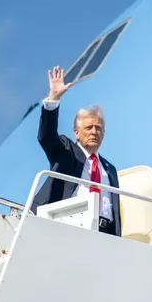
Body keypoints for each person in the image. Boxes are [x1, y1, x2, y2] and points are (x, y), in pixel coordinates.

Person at [32, 66, 123, 237]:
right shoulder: (67, 151)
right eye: (89, 127)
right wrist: (53, 99)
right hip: (68, 225)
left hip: (104, 233)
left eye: (98, 128)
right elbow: (47, 136)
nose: (94, 132)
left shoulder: (110, 169)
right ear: (76, 133)